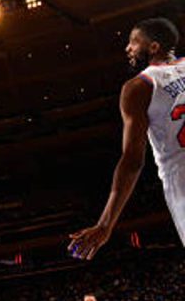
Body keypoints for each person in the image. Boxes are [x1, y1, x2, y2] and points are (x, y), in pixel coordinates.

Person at [70, 17, 185, 258]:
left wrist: (105, 224)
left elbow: (133, 161)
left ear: (153, 47)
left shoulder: (139, 86)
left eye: (133, 42)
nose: (128, 48)